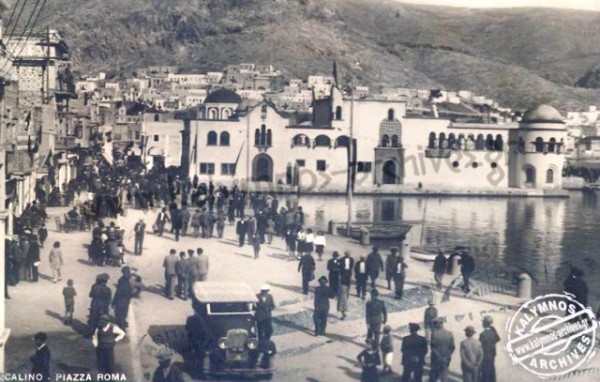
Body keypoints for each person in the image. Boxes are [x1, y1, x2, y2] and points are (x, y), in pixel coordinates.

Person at [430, 317, 455, 382]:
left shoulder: (434, 334)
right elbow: (452, 347)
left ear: (439, 324)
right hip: (446, 359)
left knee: (434, 377)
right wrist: (446, 356)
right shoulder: (449, 333)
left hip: (436, 359)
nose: (434, 325)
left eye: (435, 323)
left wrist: (439, 356)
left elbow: (432, 347)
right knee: (444, 376)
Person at [186, 311, 209, 379]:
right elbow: (204, 331)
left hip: (193, 341)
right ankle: (200, 374)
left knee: (193, 359)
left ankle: (194, 374)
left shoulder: (189, 318)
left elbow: (187, 329)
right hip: (200, 342)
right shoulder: (202, 319)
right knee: (200, 360)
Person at [479, 316, 501, 382]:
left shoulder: (483, 334)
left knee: (485, 371)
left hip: (485, 355)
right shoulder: (493, 331)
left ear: (485, 324)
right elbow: (498, 339)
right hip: (492, 353)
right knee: (491, 369)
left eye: (483, 322)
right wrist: (492, 343)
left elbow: (480, 344)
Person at [112, 266, 133, 330]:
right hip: (126, 300)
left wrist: (114, 301)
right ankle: (123, 323)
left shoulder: (122, 280)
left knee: (119, 313)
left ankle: (122, 327)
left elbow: (118, 292)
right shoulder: (128, 280)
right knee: (123, 313)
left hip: (121, 300)